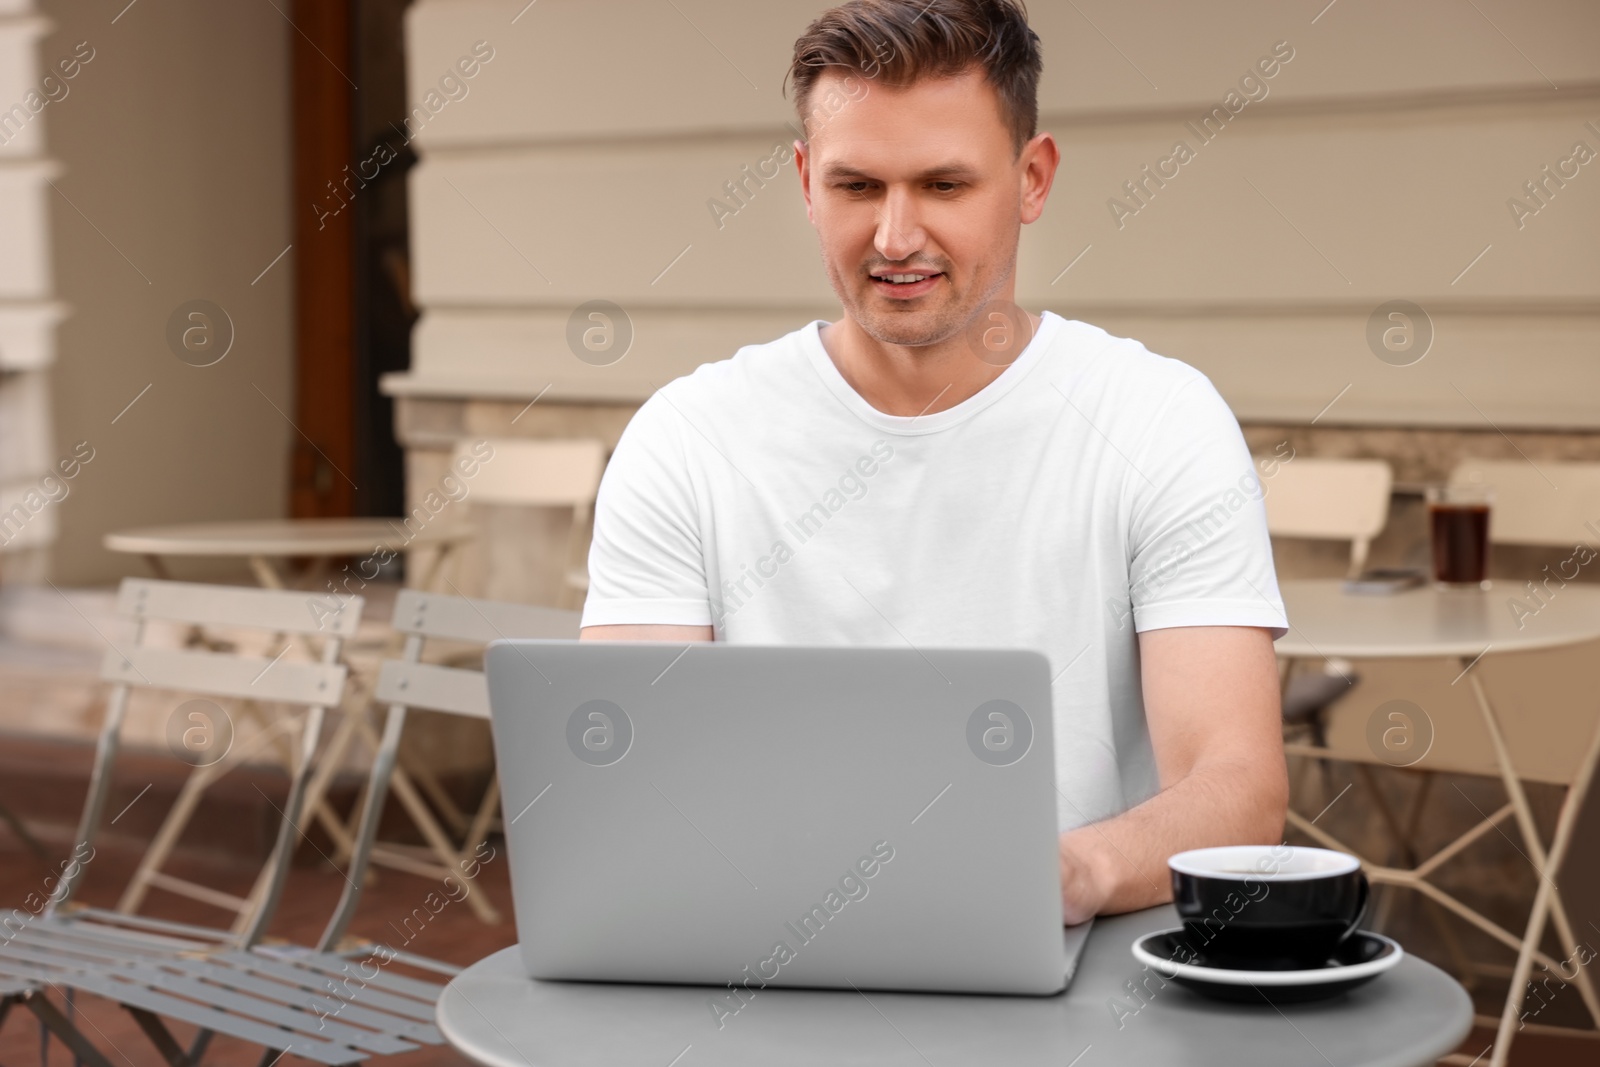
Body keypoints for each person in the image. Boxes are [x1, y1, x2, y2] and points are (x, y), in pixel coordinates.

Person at [579, 0, 1288, 924]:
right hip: (765, 965)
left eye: (944, 186)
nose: (895, 238)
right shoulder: (686, 439)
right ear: (804, 182)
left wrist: (1070, 875)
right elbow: (633, 777)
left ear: (1032, 180)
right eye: (857, 187)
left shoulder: (1158, 420)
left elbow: (1237, 785)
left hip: (1078, 976)